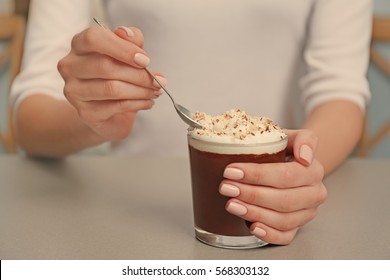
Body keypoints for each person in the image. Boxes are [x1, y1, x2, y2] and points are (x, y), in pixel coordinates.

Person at [10, 0, 372, 245]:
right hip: (133, 215)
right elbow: (30, 120)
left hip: (279, 207)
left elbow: (339, 90)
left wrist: (300, 166)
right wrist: (95, 119)